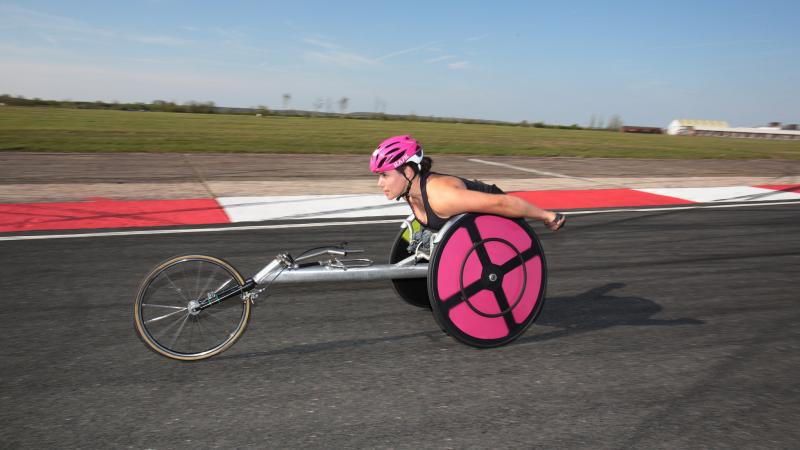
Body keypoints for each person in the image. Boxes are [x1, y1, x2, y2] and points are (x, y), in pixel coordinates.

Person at [370, 134, 566, 231]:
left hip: (497, 209)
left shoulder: (442, 196)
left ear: (408, 172)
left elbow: (501, 203)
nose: (380, 183)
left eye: (385, 175)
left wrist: (547, 216)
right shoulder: (409, 191)